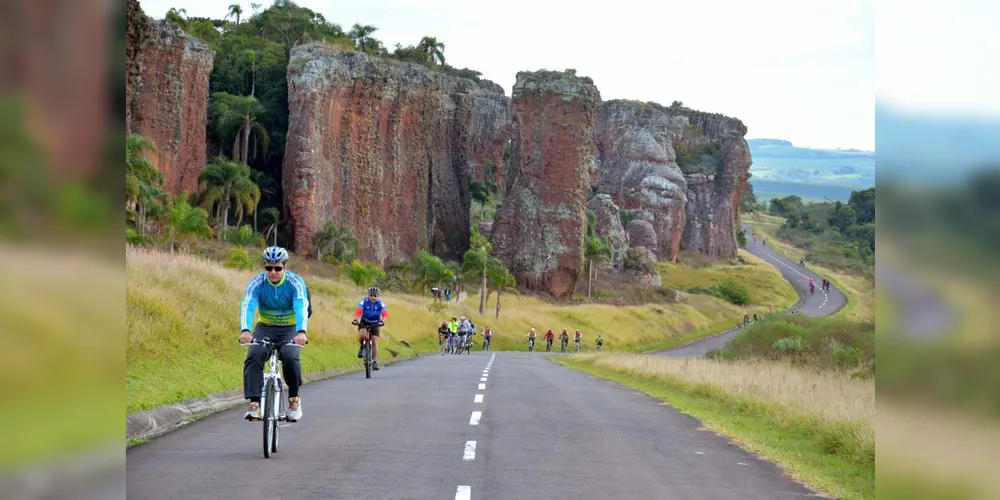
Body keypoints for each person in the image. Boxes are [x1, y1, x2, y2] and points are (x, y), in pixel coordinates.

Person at [240, 246, 309, 422]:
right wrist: (245, 330)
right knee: (254, 355)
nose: (273, 272)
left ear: (284, 267)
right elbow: (248, 305)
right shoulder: (257, 283)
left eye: (277, 268)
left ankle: (294, 399)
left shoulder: (295, 283)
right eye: (268, 268)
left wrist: (301, 332)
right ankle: (255, 404)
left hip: (291, 328)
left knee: (289, 356)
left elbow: (301, 307)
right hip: (266, 326)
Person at [353, 286, 388, 370]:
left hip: (375, 323)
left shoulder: (380, 303)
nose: (373, 297)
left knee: (375, 340)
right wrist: (355, 319)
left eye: (375, 296)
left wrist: (382, 321)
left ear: (378, 296)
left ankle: (375, 362)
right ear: (368, 295)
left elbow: (385, 314)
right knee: (362, 335)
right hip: (364, 322)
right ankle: (362, 347)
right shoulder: (364, 301)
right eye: (371, 295)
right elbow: (358, 311)